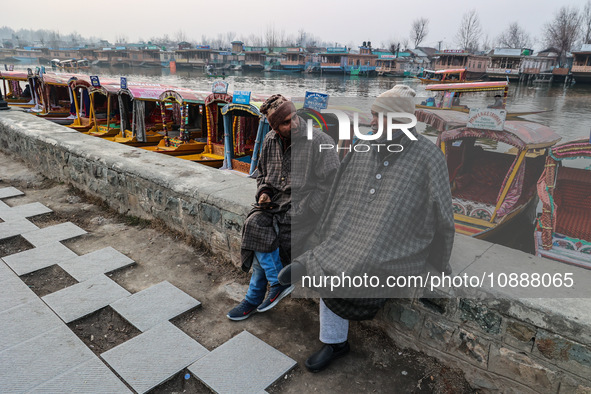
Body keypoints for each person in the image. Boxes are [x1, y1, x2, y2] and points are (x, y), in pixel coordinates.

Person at [279, 85, 455, 372]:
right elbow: (338, 192)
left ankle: (308, 267)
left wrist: (439, 261)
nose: (371, 121)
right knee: (332, 246)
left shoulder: (428, 156)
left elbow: (443, 215)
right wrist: (327, 229)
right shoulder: (363, 146)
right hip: (357, 227)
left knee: (364, 259)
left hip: (398, 237)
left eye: (377, 116)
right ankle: (334, 340)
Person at [227, 94, 340, 321]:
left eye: (295, 117)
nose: (294, 124)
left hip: (304, 211)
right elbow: (262, 175)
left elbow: (332, 186)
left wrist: (306, 209)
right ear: (276, 127)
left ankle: (253, 298)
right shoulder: (270, 140)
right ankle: (277, 282)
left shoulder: (319, 141)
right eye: (286, 122)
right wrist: (265, 193)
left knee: (264, 240)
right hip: (275, 206)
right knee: (253, 224)